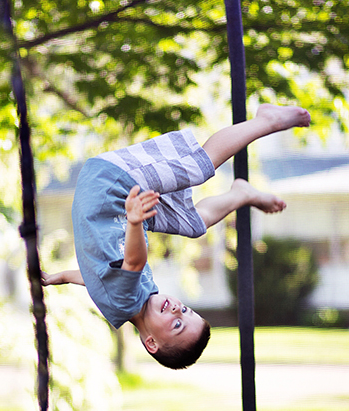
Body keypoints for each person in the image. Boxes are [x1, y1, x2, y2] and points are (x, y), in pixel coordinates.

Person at [43, 103, 311, 369]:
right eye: (186, 311)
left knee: (198, 167)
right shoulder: (128, 304)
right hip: (117, 200)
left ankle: (267, 121)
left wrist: (135, 222)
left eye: (177, 324)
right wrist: (64, 277)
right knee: (193, 224)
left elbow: (134, 262)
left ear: (151, 343)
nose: (177, 309)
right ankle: (240, 194)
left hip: (113, 185)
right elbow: (97, 278)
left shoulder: (128, 301)